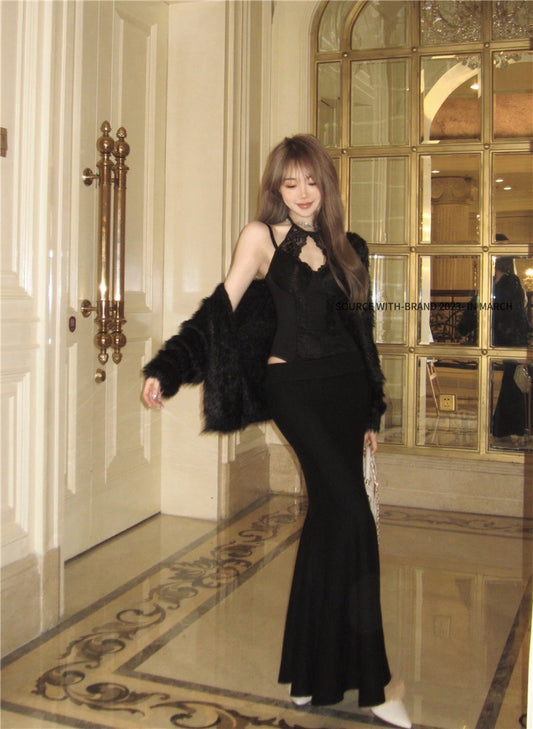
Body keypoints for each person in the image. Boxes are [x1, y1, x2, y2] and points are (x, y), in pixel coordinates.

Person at [142, 134, 411, 728]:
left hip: (345, 390)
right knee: (354, 519)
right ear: (276, 188)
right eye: (290, 183)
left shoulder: (349, 247)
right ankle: (377, 682)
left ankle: (309, 672)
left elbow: (362, 335)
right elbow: (220, 310)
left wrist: (373, 409)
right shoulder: (260, 238)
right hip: (295, 391)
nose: (302, 193)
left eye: (311, 181)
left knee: (328, 520)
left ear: (325, 184)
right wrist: (169, 367)